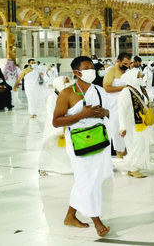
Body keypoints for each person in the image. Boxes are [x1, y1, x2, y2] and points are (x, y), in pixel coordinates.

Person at [52, 56, 112, 237]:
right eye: (87, 68)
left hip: (99, 141)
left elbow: (110, 112)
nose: (92, 71)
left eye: (92, 67)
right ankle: (97, 220)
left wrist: (105, 112)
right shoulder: (67, 93)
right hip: (79, 143)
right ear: (77, 72)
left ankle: (70, 216)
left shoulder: (100, 90)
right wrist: (81, 115)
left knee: (91, 181)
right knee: (86, 181)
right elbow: (56, 121)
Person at [117, 69, 152, 178]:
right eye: (138, 77)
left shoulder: (141, 89)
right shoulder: (126, 92)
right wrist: (122, 127)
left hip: (142, 122)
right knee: (137, 145)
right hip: (130, 124)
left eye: (141, 76)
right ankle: (132, 167)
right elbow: (121, 110)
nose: (140, 79)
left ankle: (132, 168)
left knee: (140, 145)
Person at [39, 76, 73, 176]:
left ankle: (68, 167)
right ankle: (45, 167)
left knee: (67, 148)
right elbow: (51, 115)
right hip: (55, 126)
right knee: (50, 146)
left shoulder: (70, 95)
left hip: (67, 124)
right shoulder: (51, 98)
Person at [103, 53, 132, 158]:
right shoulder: (111, 71)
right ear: (118, 61)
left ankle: (126, 148)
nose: (127, 66)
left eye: (129, 64)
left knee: (127, 126)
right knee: (116, 128)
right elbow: (106, 87)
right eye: (124, 63)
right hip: (114, 104)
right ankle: (118, 151)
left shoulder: (128, 72)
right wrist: (123, 88)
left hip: (127, 103)